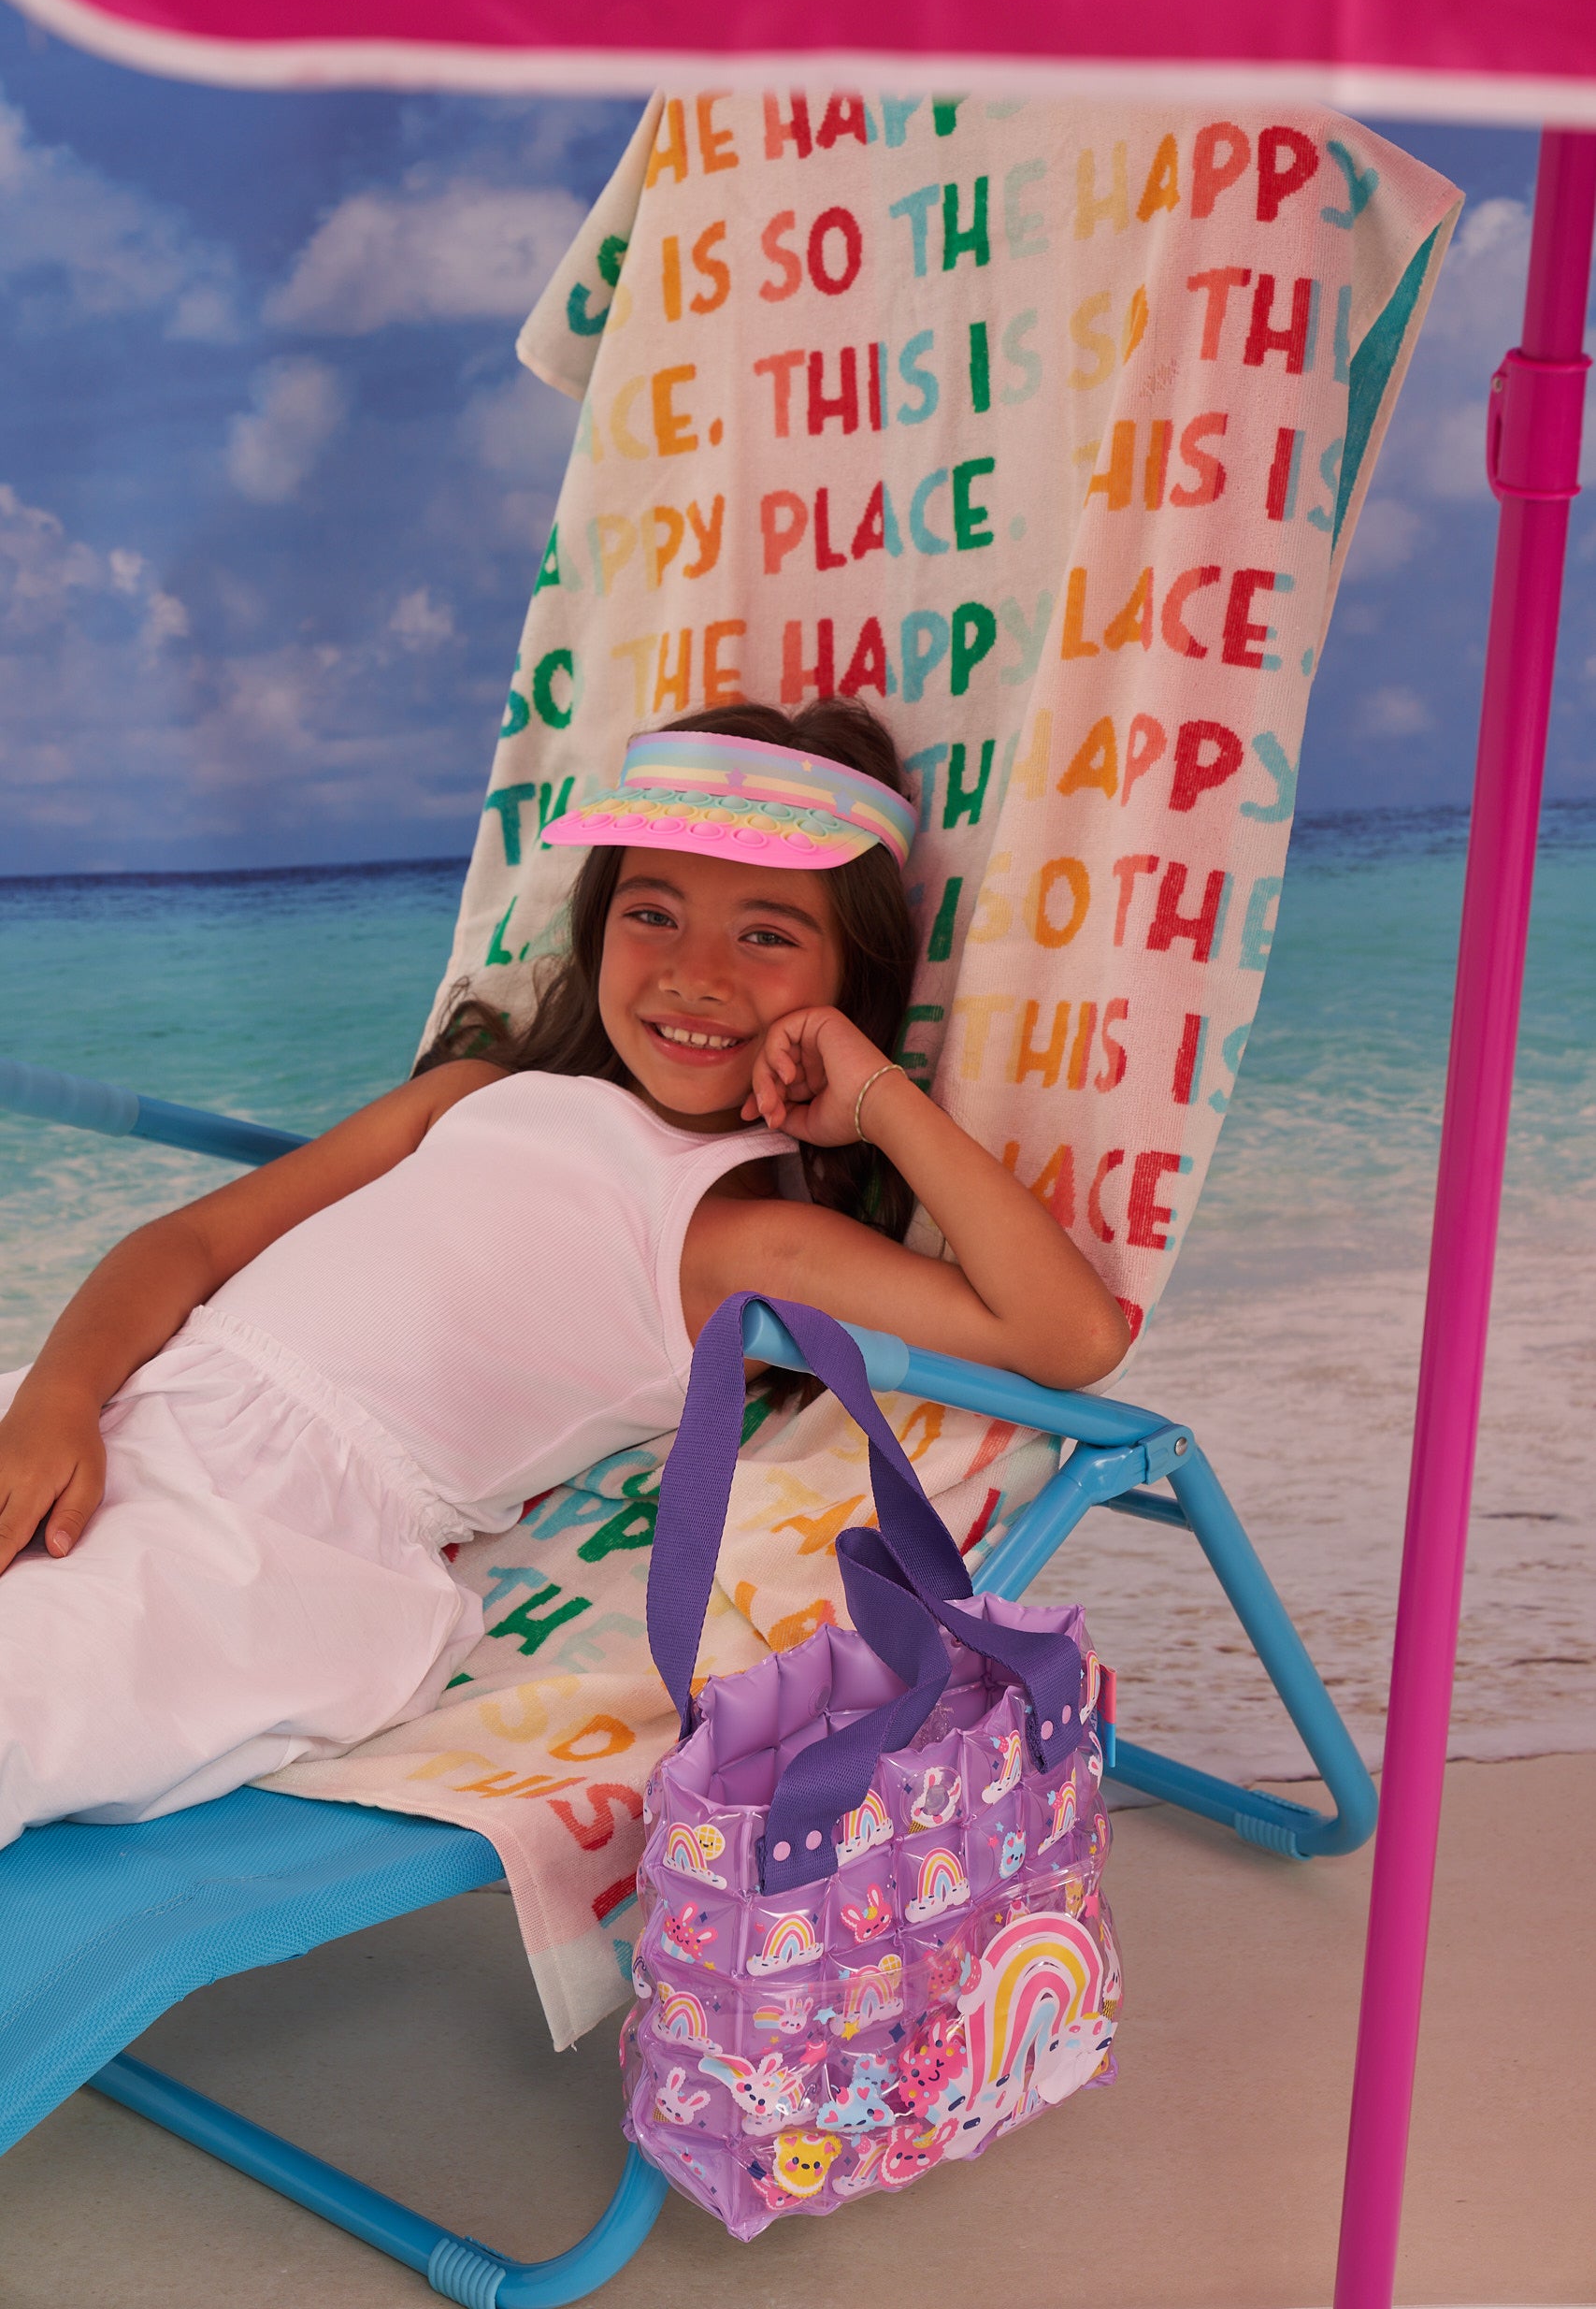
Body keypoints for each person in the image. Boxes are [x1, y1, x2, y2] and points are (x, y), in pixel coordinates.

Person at [0, 699, 1129, 1848]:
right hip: (122, 1399)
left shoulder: (727, 1237)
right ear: (597, 929)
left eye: (768, 935)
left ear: (852, 982)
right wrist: (57, 1397)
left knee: (30, 1688)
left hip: (277, 1532)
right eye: (653, 914)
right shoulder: (473, 1095)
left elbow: (1070, 1335)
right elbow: (189, 1246)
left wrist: (876, 1091)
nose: (695, 974)